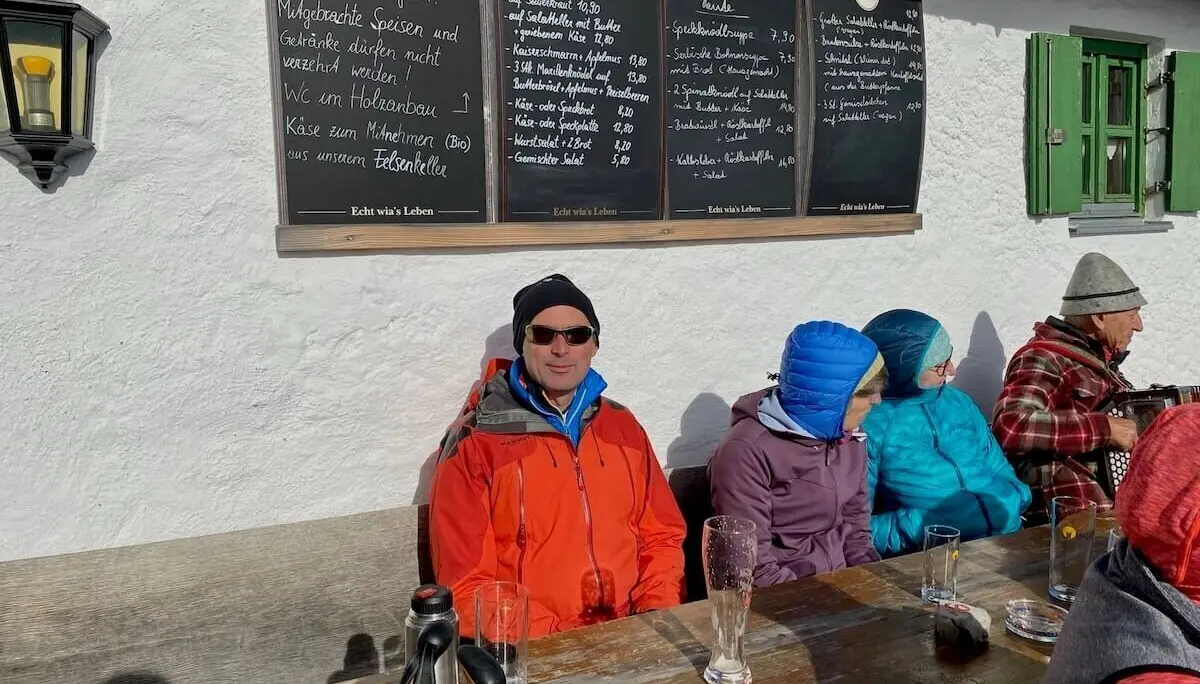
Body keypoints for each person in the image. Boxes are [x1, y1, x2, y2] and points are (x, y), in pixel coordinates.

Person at [429, 274, 686, 638]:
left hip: (635, 630)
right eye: (543, 334)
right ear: (522, 344)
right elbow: (468, 587)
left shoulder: (622, 426)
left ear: (594, 344)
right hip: (538, 646)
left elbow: (662, 536)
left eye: (577, 335)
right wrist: (563, 641)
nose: (561, 349)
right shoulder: (476, 442)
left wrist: (654, 616)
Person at [707, 320, 886, 587]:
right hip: (784, 592)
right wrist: (817, 599)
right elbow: (751, 565)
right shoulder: (746, 451)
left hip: (839, 583)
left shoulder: (849, 436)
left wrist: (870, 581)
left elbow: (856, 528)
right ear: (831, 397)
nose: (876, 401)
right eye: (867, 393)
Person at [1043, 404, 1200, 684]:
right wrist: (1103, 428)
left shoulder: (1121, 568)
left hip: (1126, 529)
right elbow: (1012, 426)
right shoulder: (1048, 369)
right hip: (1054, 521)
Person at [861, 309, 1031, 558]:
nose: (951, 370)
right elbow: (857, 526)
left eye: (948, 357)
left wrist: (1016, 496)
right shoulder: (872, 424)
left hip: (1007, 539)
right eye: (939, 365)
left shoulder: (959, 402)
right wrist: (915, 528)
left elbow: (995, 462)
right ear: (904, 369)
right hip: (935, 558)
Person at [992, 252, 1145, 524]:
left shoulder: (1100, 361)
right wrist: (1104, 429)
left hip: (1104, 512)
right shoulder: (1042, 358)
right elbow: (1011, 425)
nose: (1139, 326)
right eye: (1132, 315)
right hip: (1069, 517)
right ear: (1099, 317)